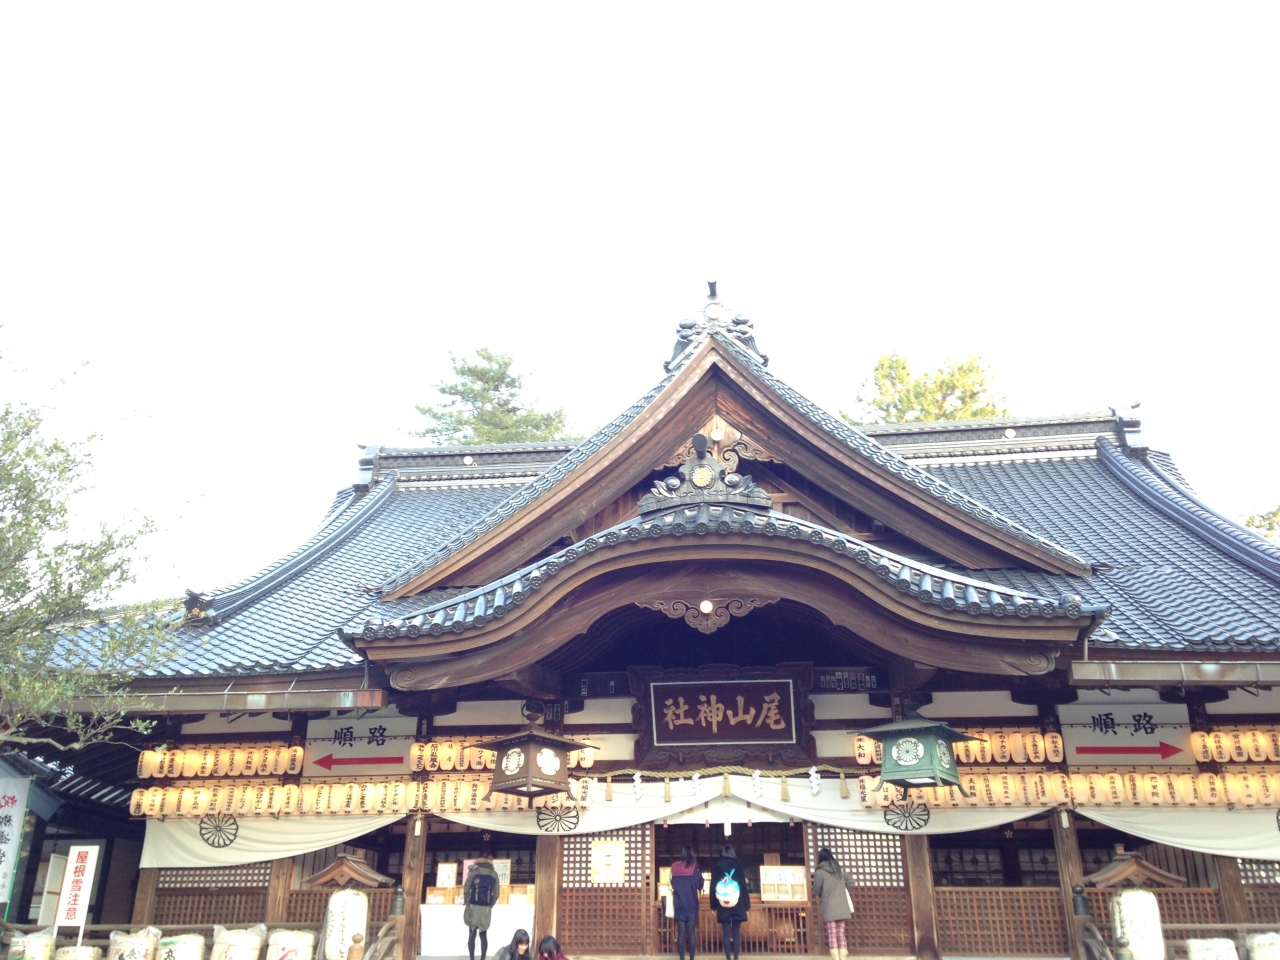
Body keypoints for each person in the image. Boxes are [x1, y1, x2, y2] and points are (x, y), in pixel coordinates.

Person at [812, 847, 857, 960]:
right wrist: (842, 890)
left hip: (829, 906)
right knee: (840, 933)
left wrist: (824, 894)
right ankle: (843, 957)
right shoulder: (840, 870)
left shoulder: (819, 872)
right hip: (842, 905)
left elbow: (816, 889)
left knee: (832, 933)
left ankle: (835, 957)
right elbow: (852, 883)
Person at [710, 844, 750, 960]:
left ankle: (728, 958)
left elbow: (713, 887)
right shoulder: (738, 866)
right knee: (736, 933)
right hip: (738, 903)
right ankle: (736, 958)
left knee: (726, 934)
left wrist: (713, 906)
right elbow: (743, 887)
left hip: (723, 904)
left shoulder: (717, 867)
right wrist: (747, 905)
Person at [462, 855, 501, 960]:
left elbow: (466, 888)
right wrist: (490, 904)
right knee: (483, 934)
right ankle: (483, 958)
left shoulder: (474, 872)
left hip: (473, 906)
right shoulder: (494, 874)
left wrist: (467, 901)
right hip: (486, 908)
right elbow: (497, 893)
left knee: (472, 933)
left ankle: (472, 958)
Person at [669, 844, 702, 960]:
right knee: (691, 933)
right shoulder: (693, 868)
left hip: (679, 904)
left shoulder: (674, 867)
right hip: (691, 904)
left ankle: (682, 958)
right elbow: (700, 884)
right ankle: (692, 958)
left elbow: (672, 883)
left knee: (681, 933)